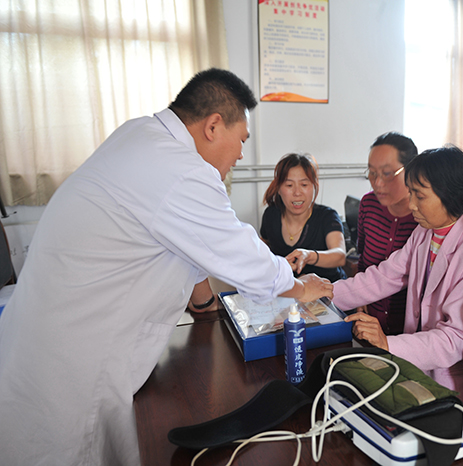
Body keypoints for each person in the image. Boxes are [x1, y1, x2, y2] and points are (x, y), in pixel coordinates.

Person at [0, 69, 332, 466]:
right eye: (242, 139)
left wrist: (204, 302)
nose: (242, 154)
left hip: (46, 340)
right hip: (72, 363)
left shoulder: (140, 136)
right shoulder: (182, 170)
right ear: (213, 126)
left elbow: (184, 241)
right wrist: (302, 288)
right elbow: (244, 256)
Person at [333, 146, 463, 411]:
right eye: (410, 192)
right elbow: (386, 276)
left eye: (419, 196)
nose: (411, 204)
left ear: (450, 195)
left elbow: (455, 339)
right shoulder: (426, 232)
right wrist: (327, 293)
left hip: (450, 383)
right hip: (417, 370)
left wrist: (387, 343)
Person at [355, 132, 419, 335]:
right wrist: (358, 298)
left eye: (387, 173)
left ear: (411, 171)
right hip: (369, 323)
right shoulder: (368, 204)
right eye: (372, 173)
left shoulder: (424, 217)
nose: (378, 183)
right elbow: (362, 258)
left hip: (411, 332)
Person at [260, 152, 347, 282]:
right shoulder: (271, 215)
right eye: (289, 185)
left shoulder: (327, 216)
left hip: (329, 288)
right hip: (289, 290)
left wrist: (308, 256)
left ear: (314, 186)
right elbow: (263, 246)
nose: (297, 193)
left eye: (304, 185)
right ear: (278, 188)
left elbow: (339, 256)